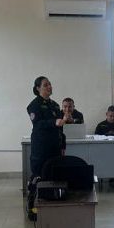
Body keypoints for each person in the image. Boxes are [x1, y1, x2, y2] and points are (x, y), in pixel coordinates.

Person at [26, 76, 67, 219]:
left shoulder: (55, 105)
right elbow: (38, 124)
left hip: (55, 147)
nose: (49, 87)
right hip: (41, 147)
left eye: (50, 84)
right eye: (45, 85)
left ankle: (50, 203)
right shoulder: (34, 105)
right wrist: (53, 122)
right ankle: (32, 206)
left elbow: (61, 128)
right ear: (38, 88)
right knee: (38, 175)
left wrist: (63, 145)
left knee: (53, 175)